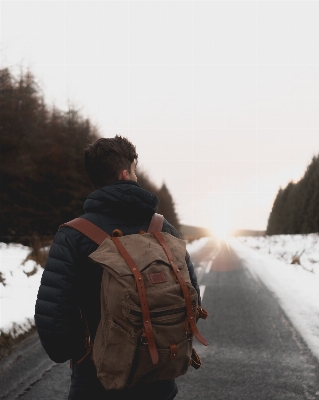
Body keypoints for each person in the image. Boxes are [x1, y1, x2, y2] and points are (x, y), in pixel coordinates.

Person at [35, 136, 201, 400]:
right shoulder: (162, 229)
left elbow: (53, 322)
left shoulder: (72, 236)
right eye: (135, 170)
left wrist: (84, 354)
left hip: (96, 384)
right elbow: (192, 298)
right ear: (126, 173)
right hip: (159, 380)